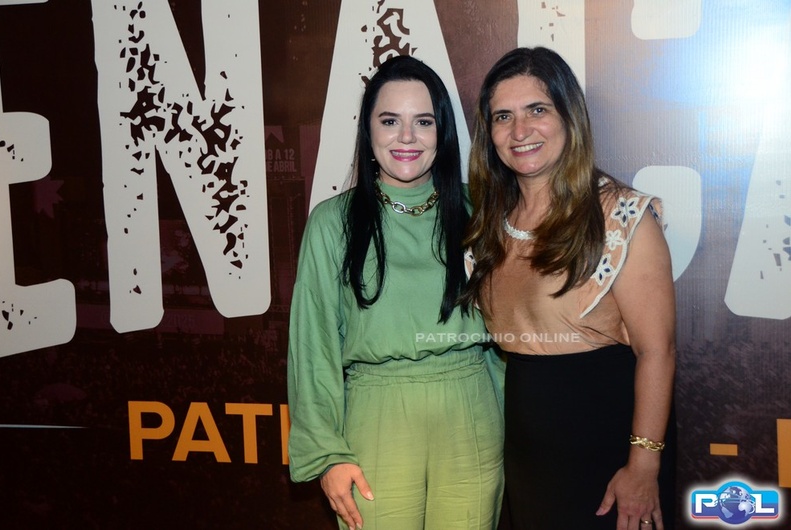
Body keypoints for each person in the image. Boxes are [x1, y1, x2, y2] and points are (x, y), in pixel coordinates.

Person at [461, 47, 677, 530]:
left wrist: (643, 465)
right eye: (503, 116)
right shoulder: (488, 226)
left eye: (537, 109)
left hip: (609, 448)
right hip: (526, 451)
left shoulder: (621, 216)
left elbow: (657, 351)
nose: (520, 131)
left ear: (569, 117)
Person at [287, 54, 505, 530]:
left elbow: (509, 337)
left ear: (442, 132)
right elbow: (313, 346)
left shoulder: (481, 211)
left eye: (423, 122)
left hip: (472, 413)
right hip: (377, 417)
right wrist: (327, 453)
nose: (406, 137)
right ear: (368, 131)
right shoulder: (332, 222)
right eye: (390, 121)